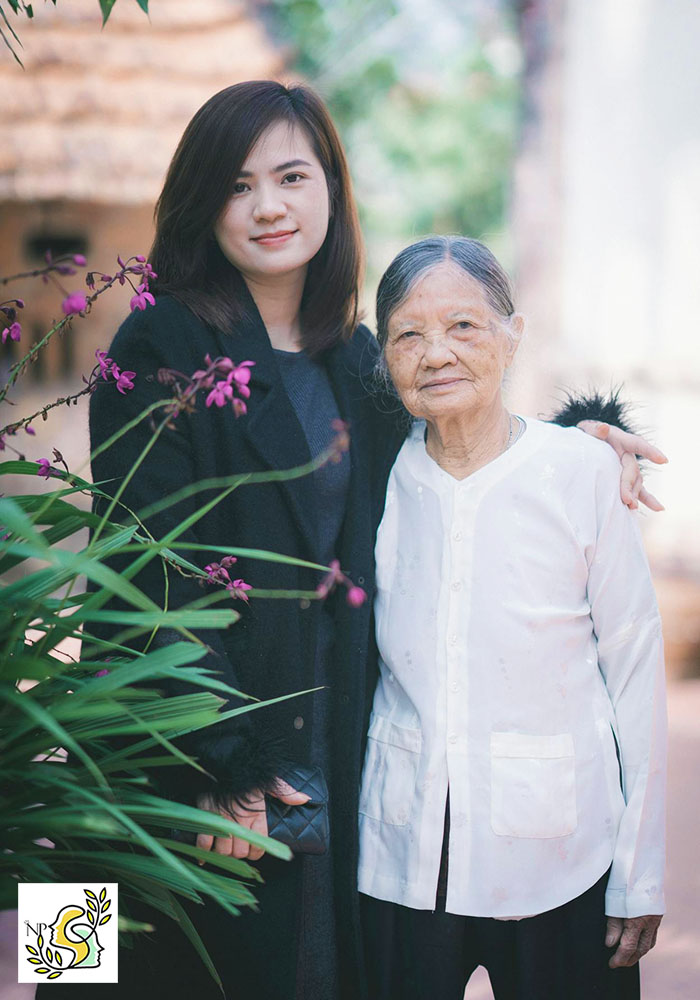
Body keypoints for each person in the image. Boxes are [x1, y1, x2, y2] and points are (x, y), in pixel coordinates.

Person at [74, 83, 661, 1000]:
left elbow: (456, 441)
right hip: (173, 749)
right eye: (237, 185)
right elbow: (134, 571)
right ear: (201, 203)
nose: (269, 205)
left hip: (317, 750)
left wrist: (577, 444)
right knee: (91, 978)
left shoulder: (355, 359)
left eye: (293, 176)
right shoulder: (156, 342)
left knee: (292, 972)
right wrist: (218, 757)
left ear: (331, 191)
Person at [358, 236, 666, 1000]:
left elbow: (635, 675)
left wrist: (640, 874)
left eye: (464, 325)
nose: (436, 353)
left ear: (513, 335)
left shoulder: (583, 473)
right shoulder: (374, 480)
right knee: (74, 964)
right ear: (383, 357)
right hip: (404, 854)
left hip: (561, 856)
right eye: (408, 334)